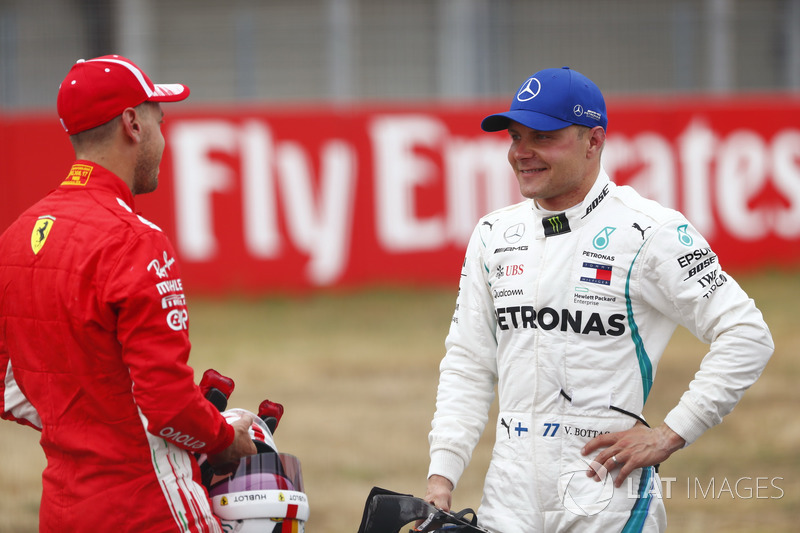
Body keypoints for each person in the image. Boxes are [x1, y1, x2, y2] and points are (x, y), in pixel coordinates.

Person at [422, 66, 774, 532]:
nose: (520, 153)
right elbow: (468, 362)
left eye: (541, 137)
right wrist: (441, 474)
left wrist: (671, 433)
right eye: (514, 136)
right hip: (506, 504)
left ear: (594, 141)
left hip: (609, 506)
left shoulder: (651, 231)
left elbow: (747, 334)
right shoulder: (493, 234)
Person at [0, 55, 257, 532]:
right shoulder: (136, 240)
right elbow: (168, 406)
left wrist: (93, 417)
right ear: (133, 124)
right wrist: (225, 439)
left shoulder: (17, 236)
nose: (164, 139)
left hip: (61, 512)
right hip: (149, 509)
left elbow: (8, 384)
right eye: (161, 121)